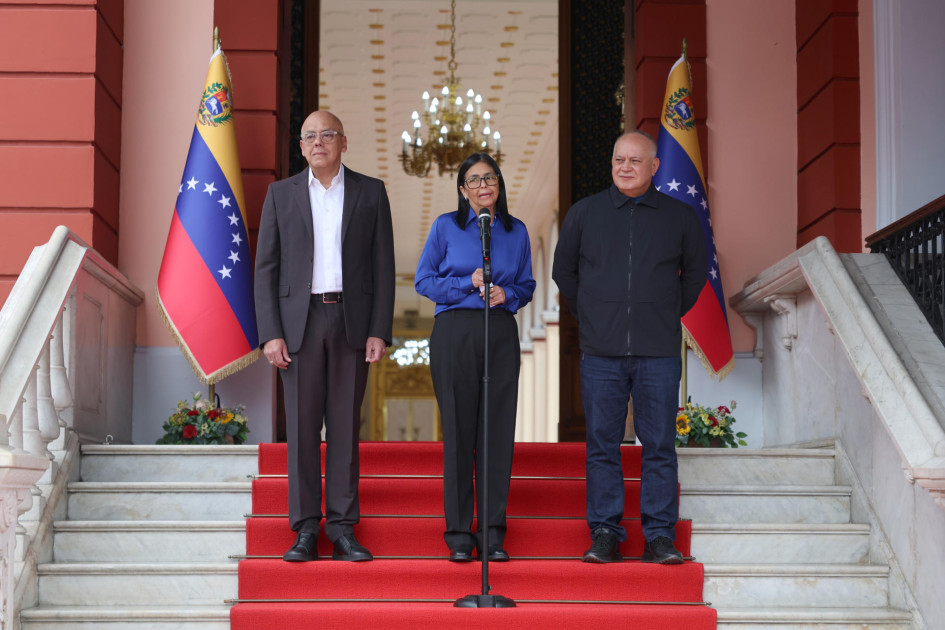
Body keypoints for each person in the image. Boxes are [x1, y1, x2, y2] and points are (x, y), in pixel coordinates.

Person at [552, 130, 707, 565]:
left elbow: (695, 274)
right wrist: (592, 313)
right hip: (600, 352)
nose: (624, 167)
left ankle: (659, 536)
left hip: (658, 351)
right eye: (619, 159)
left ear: (654, 167)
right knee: (602, 444)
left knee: (658, 444)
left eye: (635, 161)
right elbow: (564, 271)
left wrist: (664, 310)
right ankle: (605, 532)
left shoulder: (679, 216)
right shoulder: (585, 213)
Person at [254, 110, 395, 562]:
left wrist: (379, 329)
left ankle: (342, 528)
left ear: (343, 142)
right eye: (310, 136)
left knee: (344, 430)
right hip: (300, 324)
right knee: (300, 428)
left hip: (351, 322)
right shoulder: (281, 195)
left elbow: (383, 267)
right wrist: (270, 334)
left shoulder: (371, 193)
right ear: (301, 146)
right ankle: (305, 530)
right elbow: (266, 270)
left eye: (327, 135)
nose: (319, 142)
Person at [415, 153, 536, 563]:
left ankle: (492, 532)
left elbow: (527, 283)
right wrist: (467, 283)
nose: (483, 186)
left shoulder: (516, 231)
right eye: (474, 180)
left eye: (490, 178)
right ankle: (459, 535)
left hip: (499, 331)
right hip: (455, 333)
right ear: (463, 191)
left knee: (497, 434)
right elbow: (424, 280)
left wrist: (510, 294)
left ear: (499, 185)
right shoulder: (446, 227)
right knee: (460, 433)